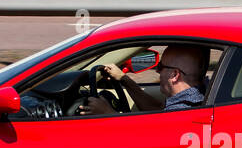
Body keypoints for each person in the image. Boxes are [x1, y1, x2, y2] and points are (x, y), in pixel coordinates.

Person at [78, 45, 208, 115]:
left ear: (175, 75)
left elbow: (144, 140)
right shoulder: (194, 98)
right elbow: (156, 109)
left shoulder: (181, 111)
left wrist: (107, 113)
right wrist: (124, 80)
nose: (157, 71)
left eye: (161, 66)